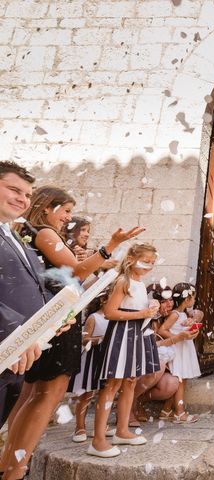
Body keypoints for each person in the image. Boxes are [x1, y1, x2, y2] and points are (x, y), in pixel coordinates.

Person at [1, 186, 142, 479]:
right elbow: (76, 272)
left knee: (31, 395)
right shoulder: (44, 232)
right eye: (65, 211)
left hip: (49, 319)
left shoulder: (31, 234)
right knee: (46, 396)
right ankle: (16, 469)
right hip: (57, 322)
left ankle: (10, 463)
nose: (68, 218)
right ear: (48, 207)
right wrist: (110, 247)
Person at [90, 243, 160, 458]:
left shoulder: (140, 282)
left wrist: (151, 309)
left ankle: (122, 430)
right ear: (132, 258)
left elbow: (138, 308)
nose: (149, 266)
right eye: (146, 261)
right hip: (122, 334)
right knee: (112, 384)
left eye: (152, 263)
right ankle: (98, 440)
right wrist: (141, 314)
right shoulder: (123, 281)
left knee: (130, 381)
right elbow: (110, 312)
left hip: (138, 334)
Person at [0, 161, 46, 427]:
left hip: (16, 356)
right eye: (14, 190)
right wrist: (15, 330)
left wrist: (54, 318)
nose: (23, 199)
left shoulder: (13, 234)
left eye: (28, 194)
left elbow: (31, 284)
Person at [70, 294, 111, 443]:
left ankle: (99, 426)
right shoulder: (93, 318)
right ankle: (79, 426)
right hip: (91, 358)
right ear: (103, 300)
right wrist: (100, 339)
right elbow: (84, 339)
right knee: (86, 394)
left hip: (105, 359)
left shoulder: (113, 317)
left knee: (104, 392)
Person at [158, 283, 202, 423]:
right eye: (193, 298)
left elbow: (199, 314)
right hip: (179, 350)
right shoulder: (175, 314)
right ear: (187, 299)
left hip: (185, 349)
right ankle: (179, 413)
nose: (194, 301)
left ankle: (166, 410)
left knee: (182, 380)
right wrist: (176, 338)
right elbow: (162, 330)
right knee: (181, 382)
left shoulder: (183, 314)